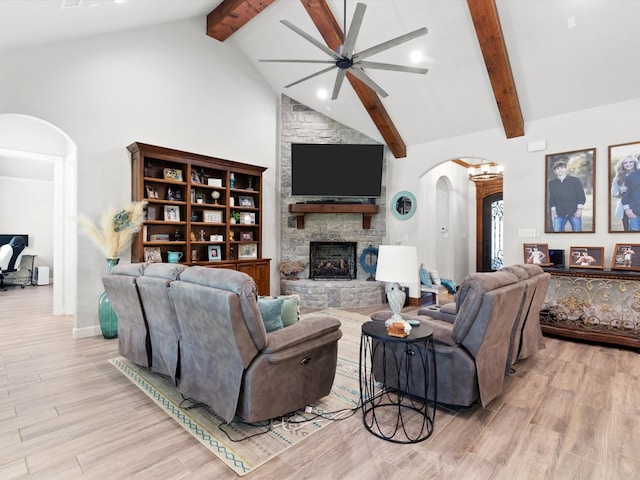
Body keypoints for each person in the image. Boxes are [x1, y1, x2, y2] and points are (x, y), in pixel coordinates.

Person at [548, 159, 586, 232]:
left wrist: (579, 209)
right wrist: (553, 211)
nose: (560, 170)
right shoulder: (552, 183)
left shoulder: (575, 180)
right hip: (559, 213)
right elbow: (552, 198)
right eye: (557, 169)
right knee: (557, 231)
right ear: (555, 171)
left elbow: (581, 195)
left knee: (577, 232)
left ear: (565, 169)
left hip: (574, 211)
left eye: (562, 168)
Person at [611, 154, 639, 231]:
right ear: (622, 165)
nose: (628, 164)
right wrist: (620, 192)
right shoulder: (617, 178)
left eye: (630, 162)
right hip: (624, 207)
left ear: (634, 163)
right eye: (625, 163)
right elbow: (614, 192)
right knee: (627, 229)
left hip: (637, 205)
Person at [621, 160, 640, 231]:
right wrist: (627, 210)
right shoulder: (631, 177)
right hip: (635, 214)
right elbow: (626, 195)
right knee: (634, 240)